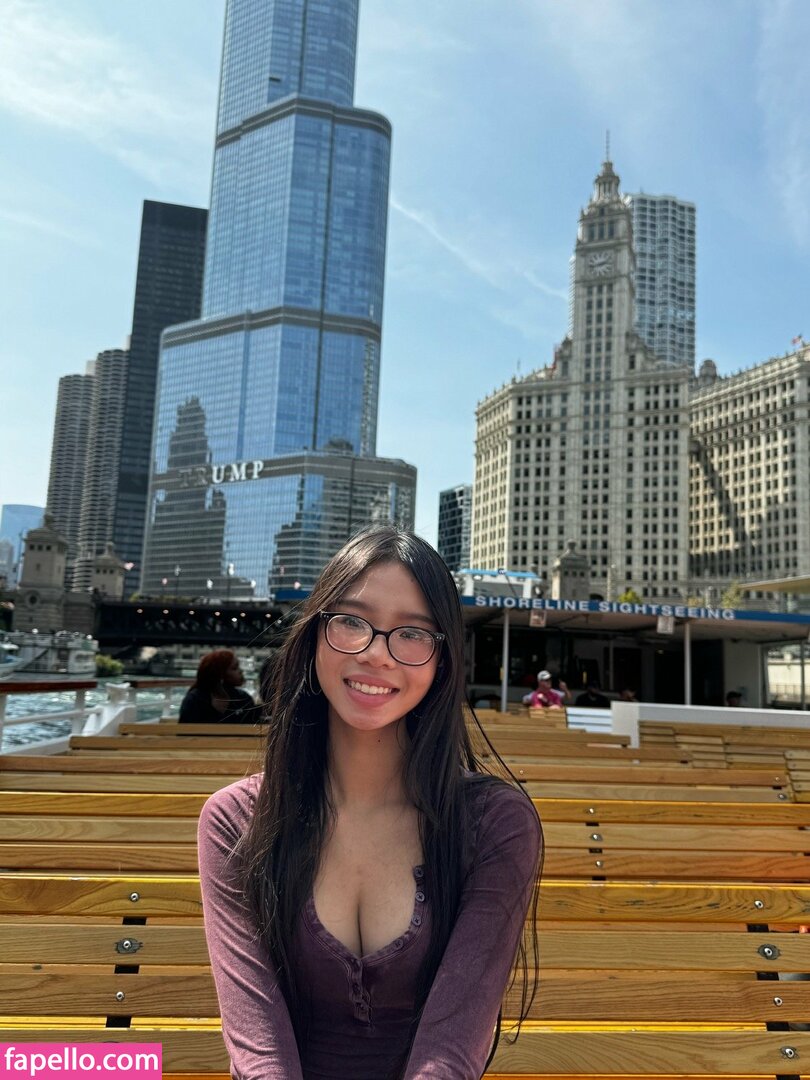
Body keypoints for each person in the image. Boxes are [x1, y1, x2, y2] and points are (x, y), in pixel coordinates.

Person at [197, 525, 543, 1079]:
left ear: (442, 659)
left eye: (413, 633)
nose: (377, 654)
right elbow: (258, 1049)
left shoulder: (495, 823)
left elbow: (453, 1049)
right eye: (353, 622)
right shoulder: (235, 820)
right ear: (314, 636)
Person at [179, 649, 256, 724]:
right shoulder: (195, 700)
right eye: (234, 668)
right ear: (220, 674)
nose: (240, 671)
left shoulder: (244, 699)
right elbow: (184, 730)